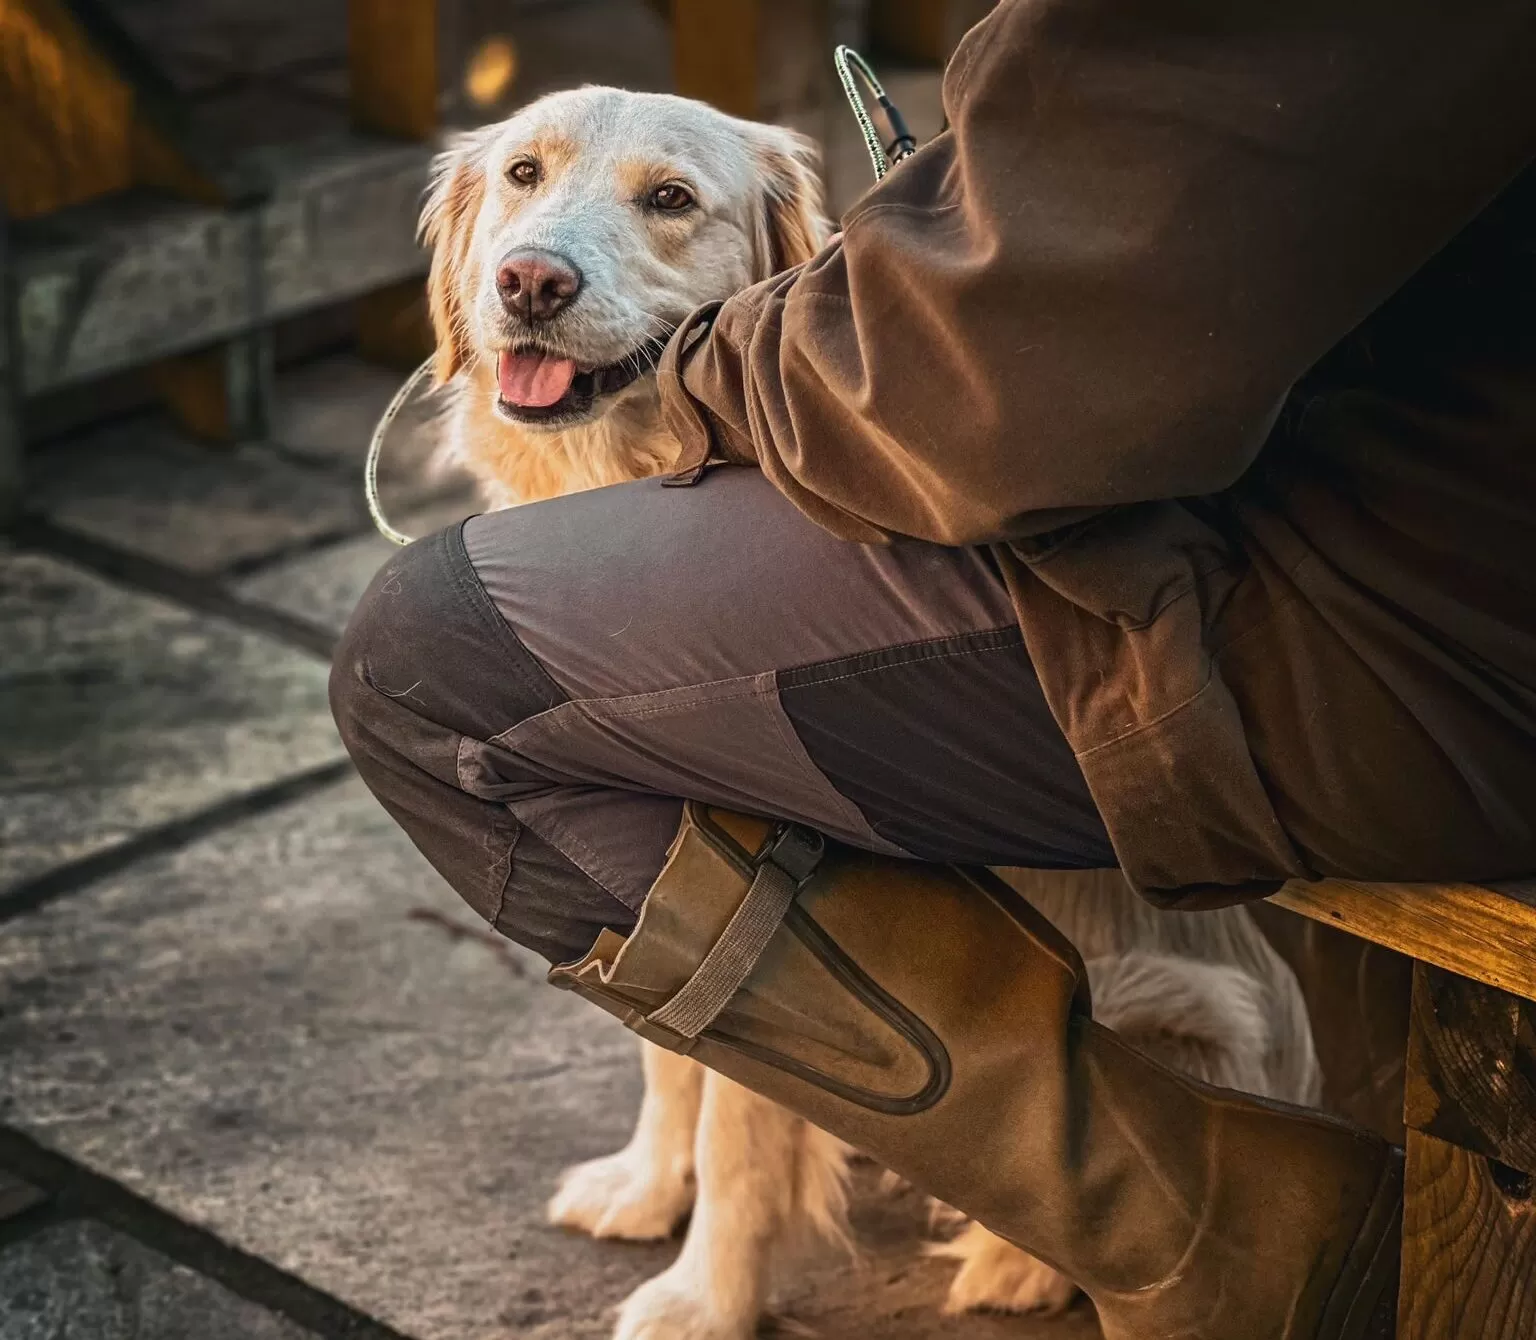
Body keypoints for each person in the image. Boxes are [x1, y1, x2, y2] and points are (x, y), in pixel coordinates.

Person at [330, 2, 1536, 1335]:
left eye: (671, 202)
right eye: (522, 186)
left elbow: (1020, 362)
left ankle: (1228, 1227)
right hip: (1419, 547)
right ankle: (684, 1147)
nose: (538, 259)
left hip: (1390, 623)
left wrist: (756, 355)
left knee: (436, 670)